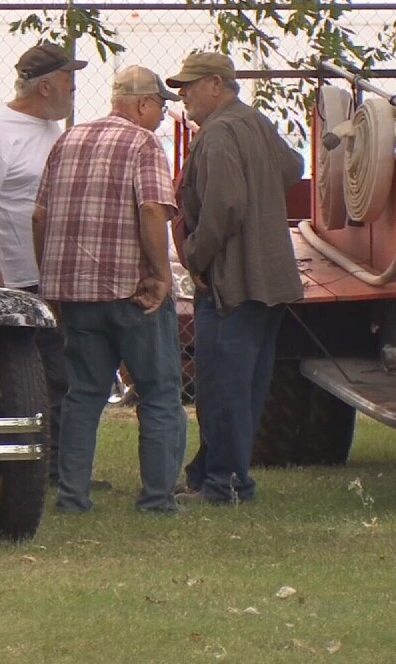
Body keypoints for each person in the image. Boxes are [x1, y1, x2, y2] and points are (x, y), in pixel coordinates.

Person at [33, 65, 188, 514]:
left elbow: (39, 217)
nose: (161, 116)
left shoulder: (68, 140)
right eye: (159, 105)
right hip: (132, 293)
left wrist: (51, 282)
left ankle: (71, 497)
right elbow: (153, 211)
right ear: (142, 103)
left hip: (76, 297)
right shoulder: (143, 143)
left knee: (83, 395)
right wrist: (161, 276)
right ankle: (157, 501)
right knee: (159, 394)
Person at [166, 52, 304, 506]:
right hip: (271, 277)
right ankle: (215, 476)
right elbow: (293, 167)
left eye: (189, 85)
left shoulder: (220, 132)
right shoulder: (254, 122)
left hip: (234, 281)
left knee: (222, 387)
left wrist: (194, 256)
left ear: (216, 84)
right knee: (246, 385)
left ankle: (224, 484)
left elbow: (224, 207)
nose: (182, 94)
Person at [0, 42, 85, 486]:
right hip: (18, 278)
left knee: (63, 370)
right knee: (39, 374)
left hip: (53, 275)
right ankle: (41, 468)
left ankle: (59, 466)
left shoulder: (52, 129)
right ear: (47, 86)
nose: (74, 89)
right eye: (69, 80)